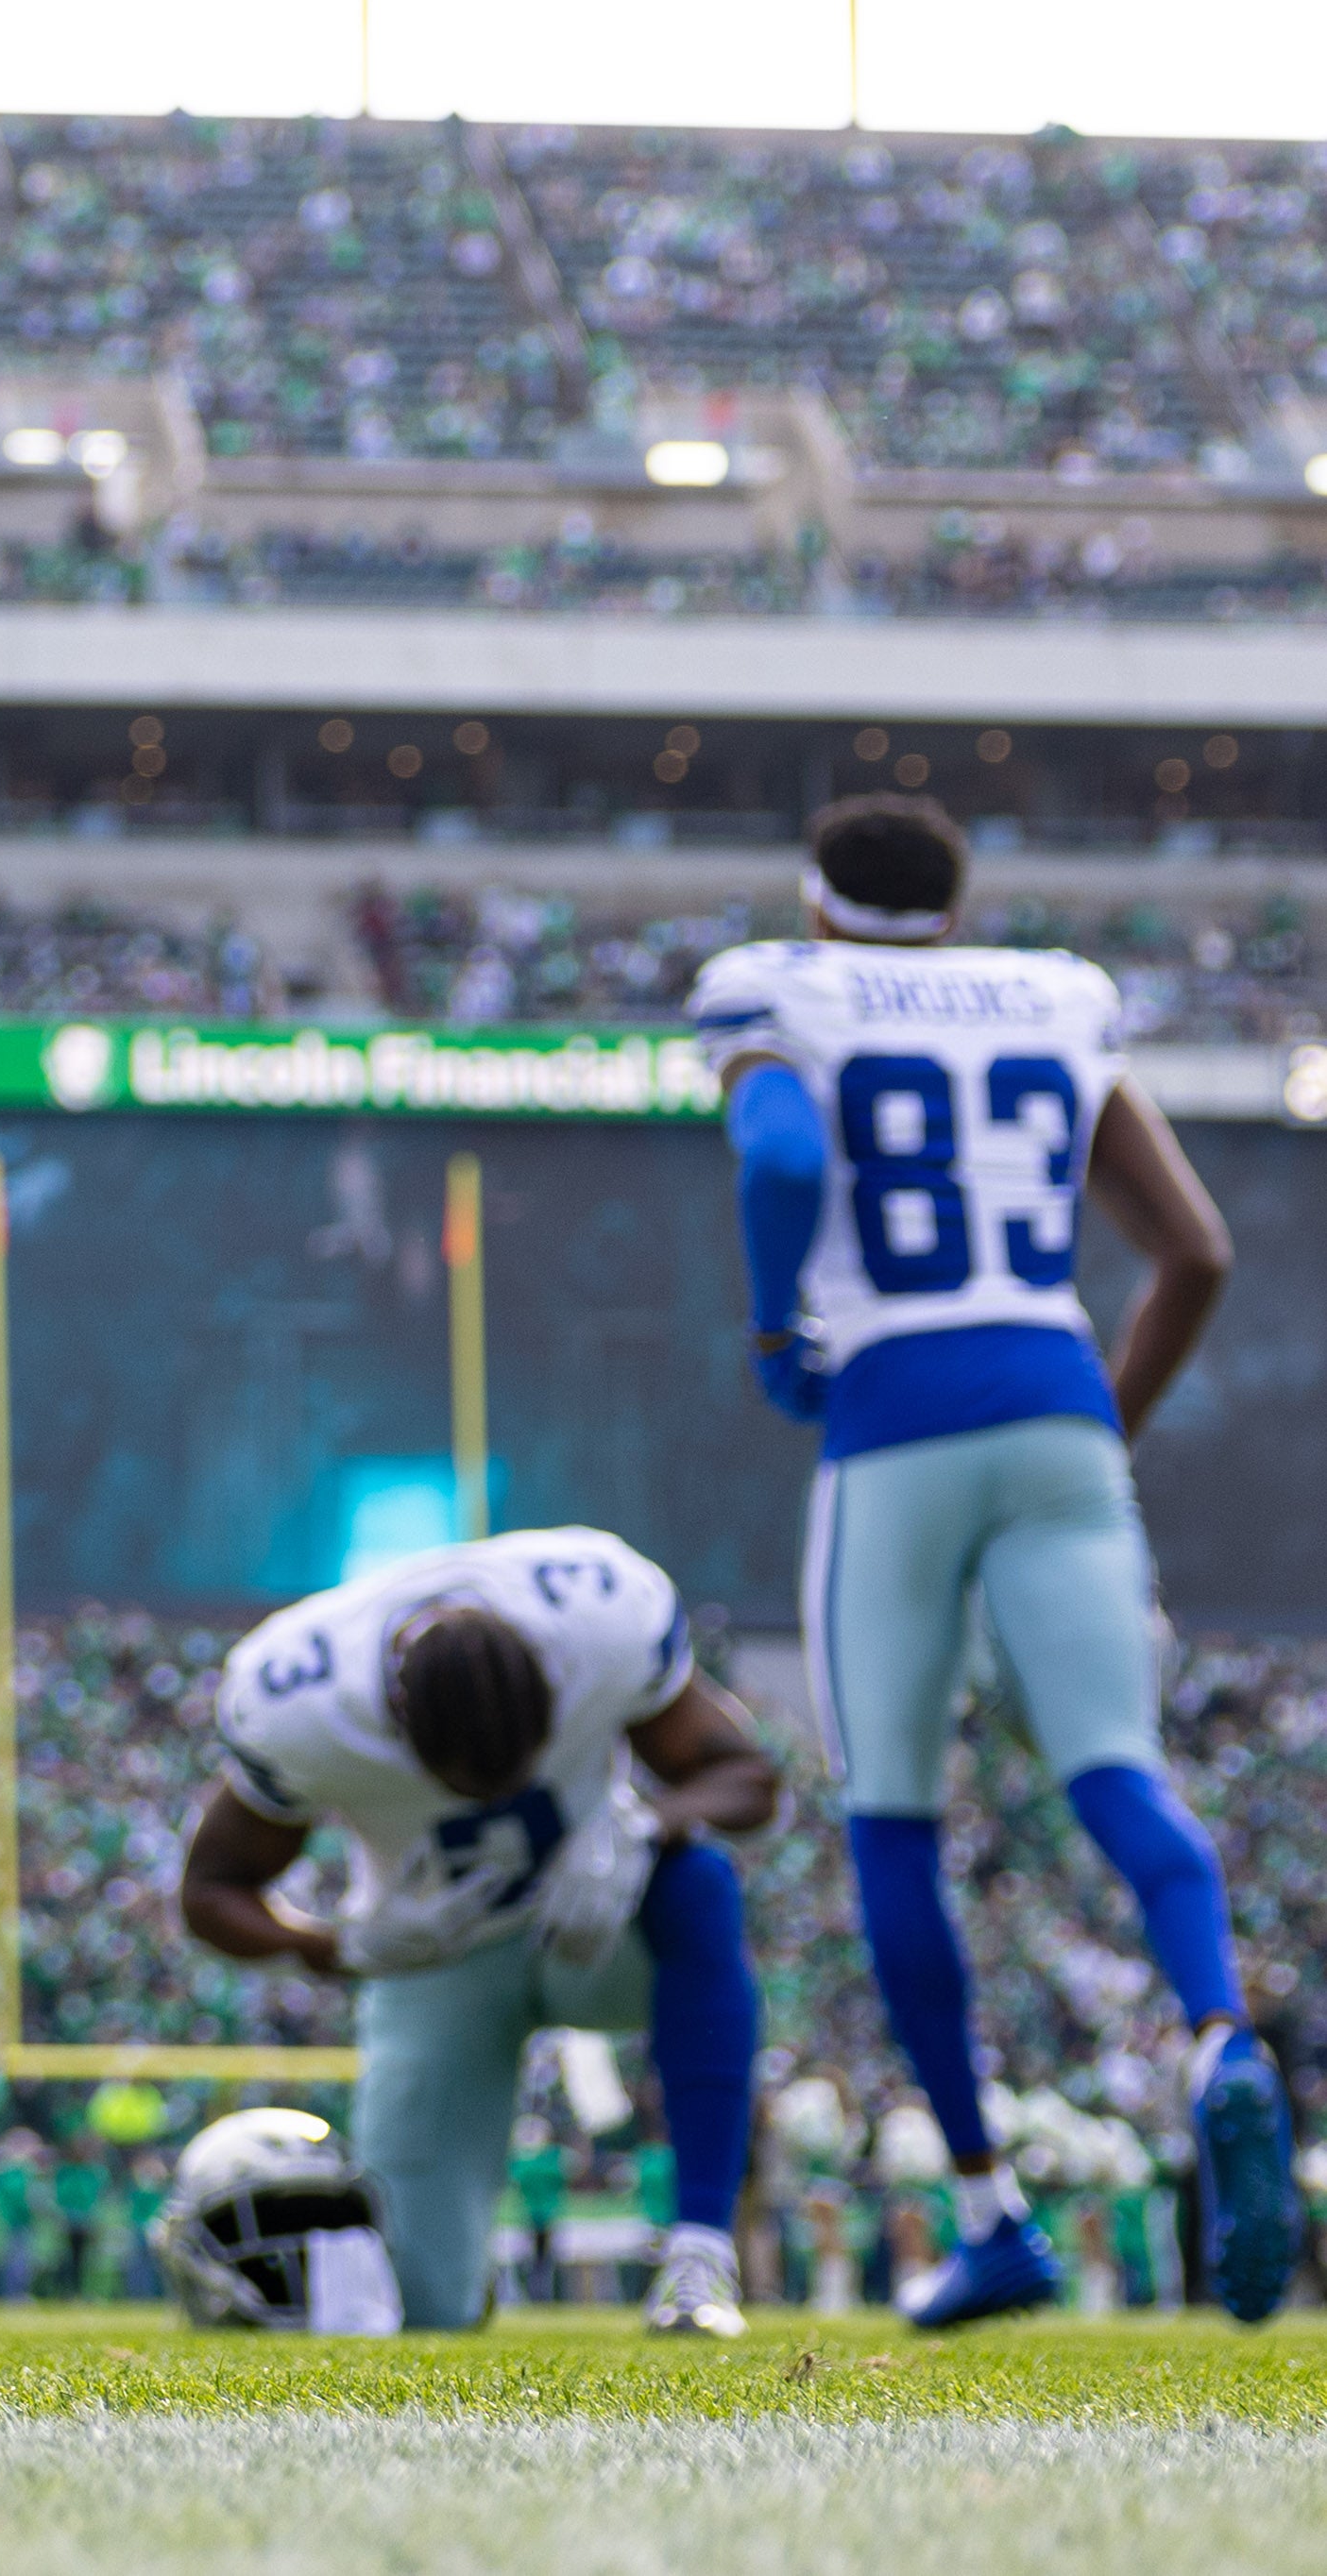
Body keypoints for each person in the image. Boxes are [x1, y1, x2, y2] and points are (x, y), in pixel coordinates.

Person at [688, 793, 1300, 2328]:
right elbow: (1194, 1250)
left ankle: (985, 2210)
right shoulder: (1049, 994)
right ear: (954, 912)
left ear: (818, 906)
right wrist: (1095, 1429)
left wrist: (771, 1331)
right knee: (1118, 1773)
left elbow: (777, 1161)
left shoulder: (778, 988)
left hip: (893, 1411)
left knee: (893, 1820)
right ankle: (1220, 2034)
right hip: (1056, 1398)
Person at [172, 1526, 779, 2335]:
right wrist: (338, 1945)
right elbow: (210, 1891)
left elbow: (747, 1777)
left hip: (592, 1923)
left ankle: (700, 2252)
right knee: (418, 2306)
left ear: (555, 1684)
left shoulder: (597, 1615)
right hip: (438, 1963)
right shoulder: (304, 1699)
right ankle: (461, 2271)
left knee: (699, 1882)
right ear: (396, 1724)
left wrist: (644, 1827)